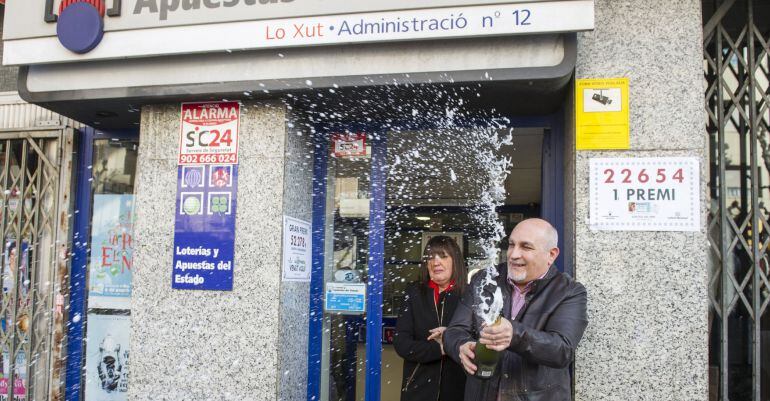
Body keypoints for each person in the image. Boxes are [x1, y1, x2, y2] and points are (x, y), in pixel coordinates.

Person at [444, 218, 588, 401]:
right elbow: (454, 330)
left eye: (526, 247)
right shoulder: (485, 279)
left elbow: (562, 350)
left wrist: (514, 334)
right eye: (511, 245)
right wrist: (460, 346)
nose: (513, 254)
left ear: (551, 254)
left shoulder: (569, 291)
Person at [394, 235, 468, 401]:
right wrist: (441, 349)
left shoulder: (469, 295)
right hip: (418, 389)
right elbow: (401, 343)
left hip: (459, 389)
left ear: (455, 261)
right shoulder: (413, 293)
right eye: (430, 257)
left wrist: (451, 339)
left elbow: (478, 340)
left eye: (443, 256)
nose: (436, 262)